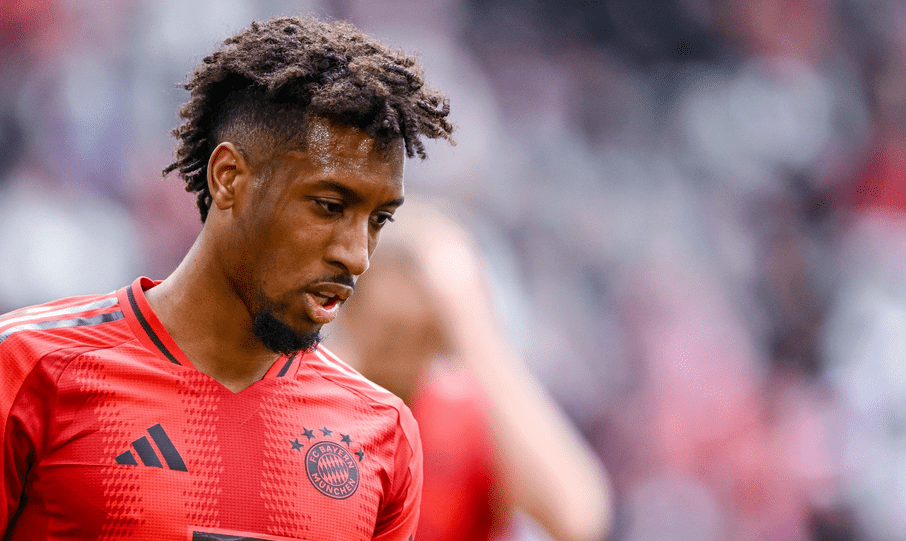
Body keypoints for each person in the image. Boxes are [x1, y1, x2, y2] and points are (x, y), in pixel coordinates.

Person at [0, 16, 454, 541]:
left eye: (379, 219)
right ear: (229, 178)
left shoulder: (382, 430)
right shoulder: (29, 368)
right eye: (329, 206)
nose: (356, 257)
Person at [329, 201, 613, 541]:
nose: (404, 354)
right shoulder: (316, 406)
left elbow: (577, 518)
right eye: (390, 332)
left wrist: (470, 322)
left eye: (424, 334)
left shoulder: (469, 415)